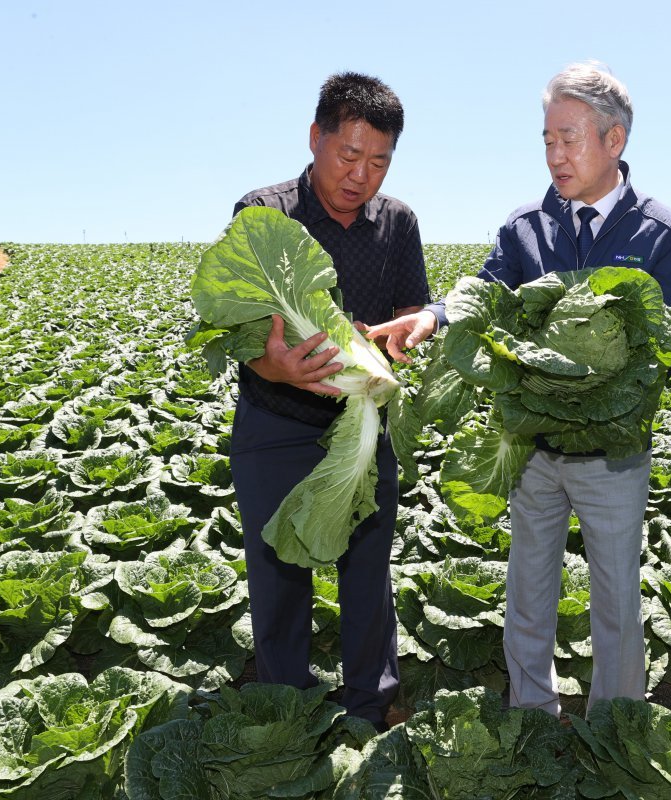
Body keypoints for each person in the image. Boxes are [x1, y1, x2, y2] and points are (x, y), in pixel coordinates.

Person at [367, 62, 671, 716]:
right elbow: (484, 291)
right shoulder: (525, 227)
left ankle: (616, 729)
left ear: (615, 141)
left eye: (569, 138)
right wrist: (435, 316)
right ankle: (531, 719)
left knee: (616, 606)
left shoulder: (664, 232)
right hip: (534, 449)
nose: (555, 154)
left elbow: (665, 339)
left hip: (613, 453)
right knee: (527, 598)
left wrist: (583, 381)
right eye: (546, 139)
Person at [228, 72, 430, 731]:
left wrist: (400, 340)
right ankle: (285, 708)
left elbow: (408, 308)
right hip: (276, 422)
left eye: (378, 162)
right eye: (349, 155)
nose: (360, 175)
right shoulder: (265, 213)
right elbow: (243, 323)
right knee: (279, 571)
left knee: (368, 573)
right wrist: (280, 369)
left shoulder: (397, 223)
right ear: (316, 138)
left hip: (364, 428)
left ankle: (368, 706)